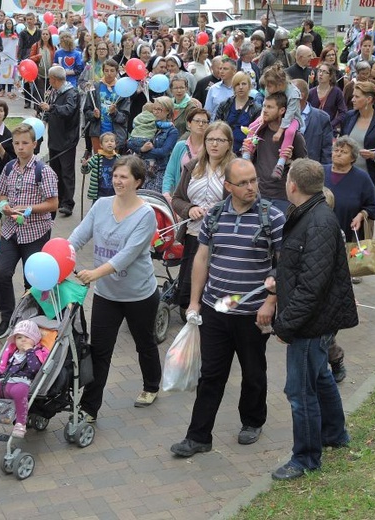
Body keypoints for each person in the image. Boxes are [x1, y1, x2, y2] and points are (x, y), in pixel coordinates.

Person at [170, 158, 285, 457]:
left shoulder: (272, 217)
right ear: (228, 186)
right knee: (211, 375)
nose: (251, 187)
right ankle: (198, 437)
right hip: (215, 310)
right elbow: (201, 258)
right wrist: (195, 302)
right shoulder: (215, 215)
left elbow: (283, 265)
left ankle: (252, 421)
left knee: (253, 371)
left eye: (253, 181)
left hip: (252, 314)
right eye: (243, 183)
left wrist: (270, 303)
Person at [269, 158, 357, 480]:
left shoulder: (318, 221)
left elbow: (312, 285)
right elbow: (302, 267)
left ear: (292, 185)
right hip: (312, 320)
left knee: (299, 391)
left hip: (310, 324)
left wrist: (285, 325)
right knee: (320, 377)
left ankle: (305, 458)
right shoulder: (309, 213)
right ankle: (335, 433)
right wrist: (279, 279)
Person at [69, 155, 162, 420]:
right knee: (99, 351)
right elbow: (79, 235)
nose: (118, 181)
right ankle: (89, 408)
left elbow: (127, 255)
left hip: (139, 294)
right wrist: (62, 253)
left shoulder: (146, 215)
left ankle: (151, 384)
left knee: (144, 343)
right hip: (106, 294)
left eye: (124, 177)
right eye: (116, 176)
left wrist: (94, 273)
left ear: (138, 181)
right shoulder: (101, 205)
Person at [0, 124, 59, 340]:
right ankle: (7, 318)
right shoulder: (9, 167)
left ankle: (32, 319)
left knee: (33, 280)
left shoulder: (43, 171)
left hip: (35, 232)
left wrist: (28, 210)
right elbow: (1, 194)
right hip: (10, 231)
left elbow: (53, 203)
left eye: (25, 143)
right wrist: (4, 207)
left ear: (34, 144)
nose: (20, 148)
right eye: (16, 143)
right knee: (1, 273)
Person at [323, 137, 375, 381]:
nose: (337, 153)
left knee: (336, 290)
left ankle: (333, 353)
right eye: (336, 149)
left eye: (343, 151)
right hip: (319, 240)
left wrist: (361, 214)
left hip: (348, 243)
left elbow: (371, 205)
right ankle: (333, 354)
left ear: (353, 157)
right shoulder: (320, 172)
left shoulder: (361, 178)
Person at [171, 122, 235, 310]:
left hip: (222, 239)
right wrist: (189, 209)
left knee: (215, 296)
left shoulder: (234, 169)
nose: (214, 144)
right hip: (194, 236)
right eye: (210, 139)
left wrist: (219, 211)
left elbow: (247, 203)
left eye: (220, 140)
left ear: (229, 143)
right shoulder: (193, 166)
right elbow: (177, 199)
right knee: (189, 293)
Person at [243, 65, 304, 184]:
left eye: (269, 86)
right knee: (253, 126)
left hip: (292, 118)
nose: (267, 89)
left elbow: (289, 115)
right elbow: (265, 106)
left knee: (289, 132)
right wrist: (261, 118)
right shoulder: (270, 91)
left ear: (280, 85)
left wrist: (280, 131)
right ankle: (246, 154)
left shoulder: (293, 93)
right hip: (262, 187)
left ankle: (280, 163)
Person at [340, 81, 375, 200]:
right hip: (348, 175)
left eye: (357, 96)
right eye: (353, 96)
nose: (352, 100)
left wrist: (374, 155)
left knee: (368, 215)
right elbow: (342, 141)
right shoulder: (349, 116)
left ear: (369, 99)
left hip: (372, 177)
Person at [40, 65, 80, 217]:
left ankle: (68, 203)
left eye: (50, 79)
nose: (49, 81)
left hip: (67, 140)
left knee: (67, 173)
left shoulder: (72, 93)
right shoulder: (53, 92)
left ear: (54, 79)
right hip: (54, 138)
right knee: (55, 171)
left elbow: (68, 110)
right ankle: (58, 199)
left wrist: (51, 108)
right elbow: (49, 112)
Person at [127, 96, 179, 193]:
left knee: (153, 200)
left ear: (168, 111)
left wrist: (142, 153)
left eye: (159, 109)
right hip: (140, 169)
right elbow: (129, 143)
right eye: (154, 108)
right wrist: (141, 149)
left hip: (158, 171)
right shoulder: (146, 123)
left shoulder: (172, 131)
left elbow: (164, 152)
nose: (155, 112)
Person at [83, 59, 130, 154]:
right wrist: (93, 115)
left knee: (114, 163)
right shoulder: (95, 87)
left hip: (116, 134)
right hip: (98, 133)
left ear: (117, 72)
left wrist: (115, 113)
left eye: (112, 71)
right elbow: (86, 111)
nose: (109, 73)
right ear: (103, 71)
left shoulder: (123, 90)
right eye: (106, 70)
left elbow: (125, 117)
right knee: (99, 163)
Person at [215, 72, 262, 155]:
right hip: (224, 150)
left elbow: (257, 134)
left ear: (249, 86)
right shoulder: (225, 105)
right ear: (233, 87)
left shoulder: (256, 109)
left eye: (244, 84)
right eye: (237, 84)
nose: (240, 87)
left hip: (245, 152)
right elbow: (216, 126)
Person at [293, 79, 333, 165]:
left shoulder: (322, 118)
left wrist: (324, 171)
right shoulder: (283, 115)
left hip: (312, 171)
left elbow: (327, 150)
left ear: (301, 96)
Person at [308, 62, 347, 136]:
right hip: (313, 131)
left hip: (328, 132)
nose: (320, 74)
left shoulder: (336, 92)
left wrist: (331, 124)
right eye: (319, 71)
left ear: (330, 76)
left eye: (325, 72)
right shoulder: (311, 92)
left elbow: (343, 112)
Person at [84, 132, 119, 203]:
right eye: (106, 141)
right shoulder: (96, 158)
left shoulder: (119, 159)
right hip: (99, 193)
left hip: (114, 193)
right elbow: (85, 171)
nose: (109, 143)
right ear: (101, 145)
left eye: (112, 141)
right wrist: (85, 165)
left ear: (115, 144)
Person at [17, 13, 41, 109]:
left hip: (36, 58)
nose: (29, 21)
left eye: (31, 19)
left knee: (36, 81)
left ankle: (36, 101)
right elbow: (21, 47)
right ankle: (27, 101)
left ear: (34, 20)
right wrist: (20, 60)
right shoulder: (23, 33)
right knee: (26, 81)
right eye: (28, 19)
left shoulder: (39, 32)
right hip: (26, 59)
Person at [28, 29, 56, 108]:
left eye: (47, 34)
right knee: (40, 93)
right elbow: (30, 59)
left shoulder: (53, 47)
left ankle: (46, 109)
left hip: (50, 74)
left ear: (50, 36)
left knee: (48, 92)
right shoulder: (36, 45)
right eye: (43, 34)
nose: (45, 36)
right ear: (41, 35)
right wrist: (37, 57)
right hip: (39, 74)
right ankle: (38, 109)